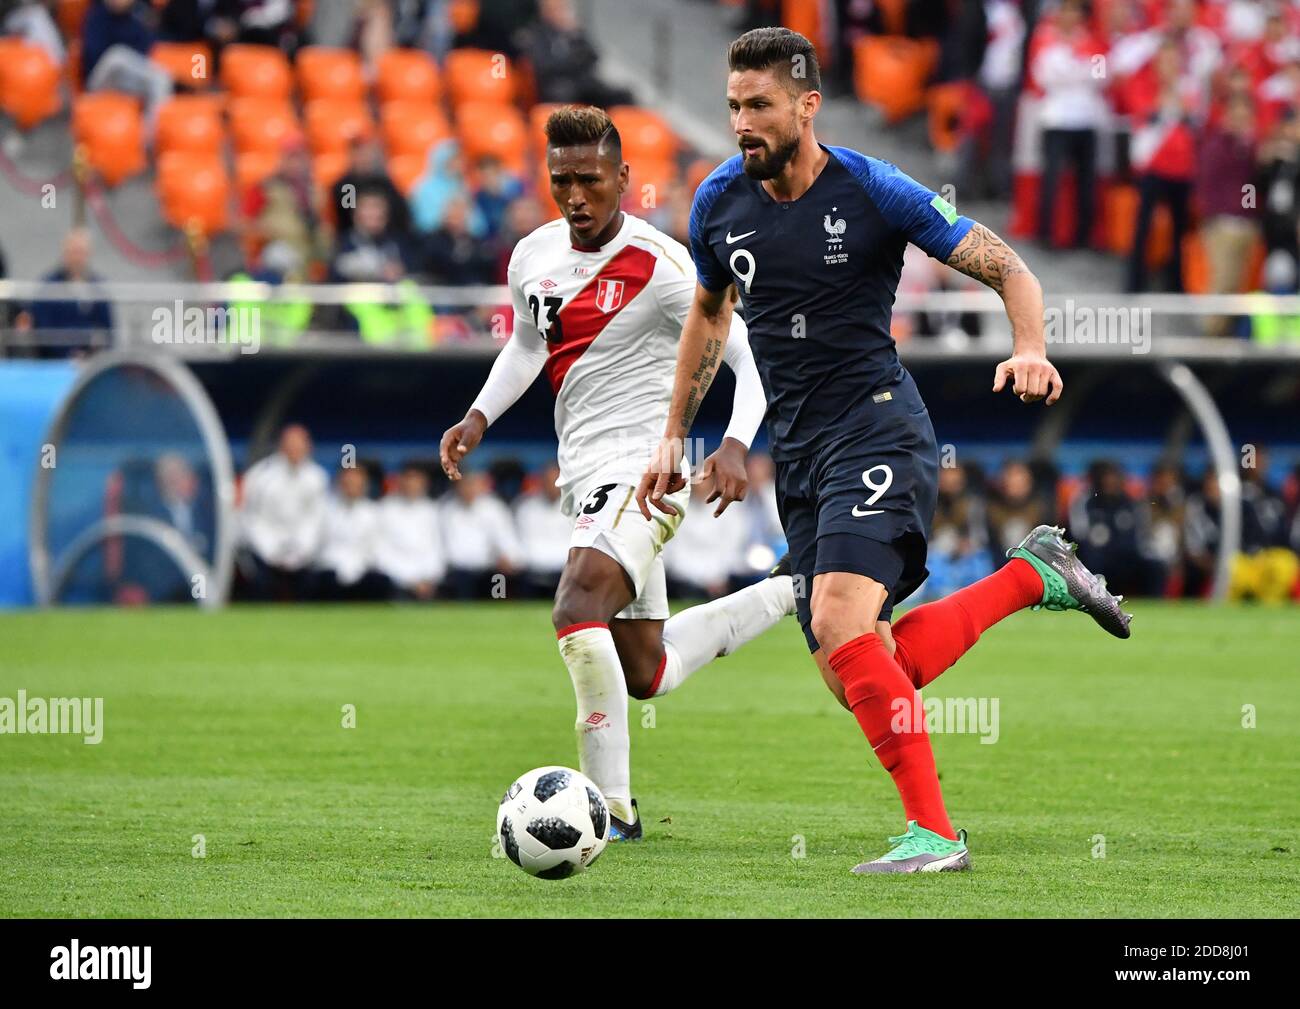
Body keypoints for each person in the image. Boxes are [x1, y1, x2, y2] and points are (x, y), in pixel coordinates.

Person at [638, 28, 1131, 874]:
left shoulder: (872, 189)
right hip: (798, 459)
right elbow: (710, 317)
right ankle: (1032, 576)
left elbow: (1008, 264)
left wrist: (1031, 345)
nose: (742, 123)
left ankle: (937, 837)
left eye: (759, 106)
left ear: (806, 105)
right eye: (732, 107)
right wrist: (676, 430)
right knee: (858, 666)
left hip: (877, 427)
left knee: (838, 622)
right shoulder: (718, 202)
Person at [439, 106, 794, 842]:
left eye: (590, 180)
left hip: (647, 472)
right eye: (561, 179)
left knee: (576, 606)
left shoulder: (665, 267)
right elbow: (528, 348)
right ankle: (796, 588)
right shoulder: (532, 256)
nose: (575, 196)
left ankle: (612, 808)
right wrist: (478, 416)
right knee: (646, 671)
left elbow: (749, 356)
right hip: (585, 479)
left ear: (624, 179)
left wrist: (732, 443)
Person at [239, 424, 328, 600]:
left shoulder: (317, 477)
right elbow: (251, 518)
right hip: (265, 552)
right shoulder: (260, 475)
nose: (295, 449)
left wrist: (301, 550)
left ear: (309, 447)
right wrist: (272, 551)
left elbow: (315, 520)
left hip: (303, 554)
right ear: (282, 445)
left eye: (300, 444)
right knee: (260, 584)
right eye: (291, 444)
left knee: (314, 584)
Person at [373, 462, 445, 600]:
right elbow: (381, 553)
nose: (412, 484)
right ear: (399, 481)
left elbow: (437, 550)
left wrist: (428, 579)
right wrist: (409, 581)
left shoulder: (432, 511)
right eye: (408, 479)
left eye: (416, 480)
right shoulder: (383, 510)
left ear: (425, 483)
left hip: (428, 582)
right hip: (395, 581)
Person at [317, 466, 388, 601]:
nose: (351, 487)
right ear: (339, 484)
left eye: (356, 483)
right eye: (347, 483)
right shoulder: (326, 511)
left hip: (364, 571)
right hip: (332, 570)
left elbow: (377, 548)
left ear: (364, 485)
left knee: (378, 582)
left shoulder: (374, 512)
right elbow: (322, 546)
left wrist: (358, 568)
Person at [513, 462, 572, 598]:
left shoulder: (575, 507)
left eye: (556, 481)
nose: (552, 485)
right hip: (530, 571)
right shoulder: (525, 507)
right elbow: (517, 540)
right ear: (541, 481)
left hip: (564, 572)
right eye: (548, 480)